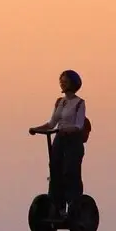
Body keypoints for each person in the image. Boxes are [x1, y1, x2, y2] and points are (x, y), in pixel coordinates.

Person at [29, 70, 86, 217]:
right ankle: (57, 205)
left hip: (73, 141)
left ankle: (73, 203)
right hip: (59, 139)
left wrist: (67, 130)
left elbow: (79, 125)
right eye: (61, 80)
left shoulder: (79, 103)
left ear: (73, 83)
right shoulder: (59, 102)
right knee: (55, 170)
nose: (62, 83)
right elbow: (51, 123)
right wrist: (36, 129)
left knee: (69, 171)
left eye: (65, 80)